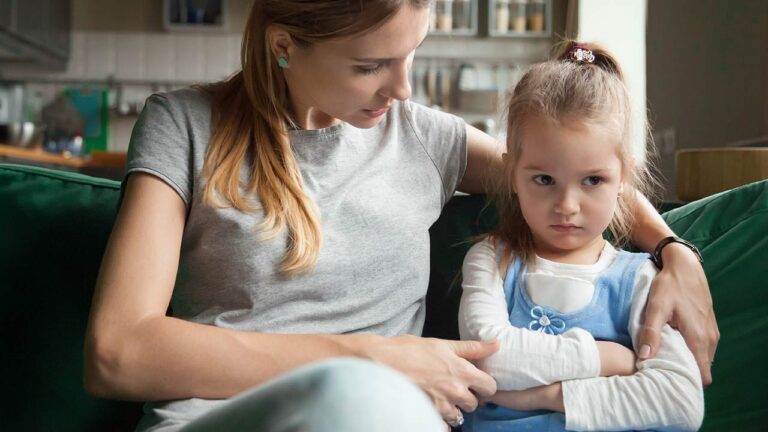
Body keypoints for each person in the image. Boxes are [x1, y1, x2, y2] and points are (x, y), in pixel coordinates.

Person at [82, 1, 716, 431]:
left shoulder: (423, 138)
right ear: (283, 47)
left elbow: (572, 174)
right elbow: (117, 351)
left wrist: (673, 250)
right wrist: (369, 359)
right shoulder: (184, 126)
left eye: (410, 54)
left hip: (390, 418)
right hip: (235, 418)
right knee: (350, 396)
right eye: (369, 66)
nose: (402, 89)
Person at [458, 42, 705, 431]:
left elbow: (681, 401)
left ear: (623, 178)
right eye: (544, 180)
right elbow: (488, 357)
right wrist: (607, 359)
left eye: (593, 180)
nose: (567, 205)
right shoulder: (492, 259)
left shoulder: (641, 277)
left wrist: (545, 396)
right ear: (512, 176)